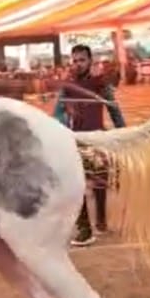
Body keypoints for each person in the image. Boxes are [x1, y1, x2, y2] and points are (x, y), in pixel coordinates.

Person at [53, 44, 125, 247]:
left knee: (100, 182)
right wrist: (62, 123)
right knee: (76, 185)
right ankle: (85, 229)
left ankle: (101, 220)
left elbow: (114, 110)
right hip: (76, 140)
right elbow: (57, 113)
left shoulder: (101, 85)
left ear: (90, 61)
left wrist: (123, 134)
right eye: (74, 60)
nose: (77, 64)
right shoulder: (67, 87)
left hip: (98, 139)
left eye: (82, 60)